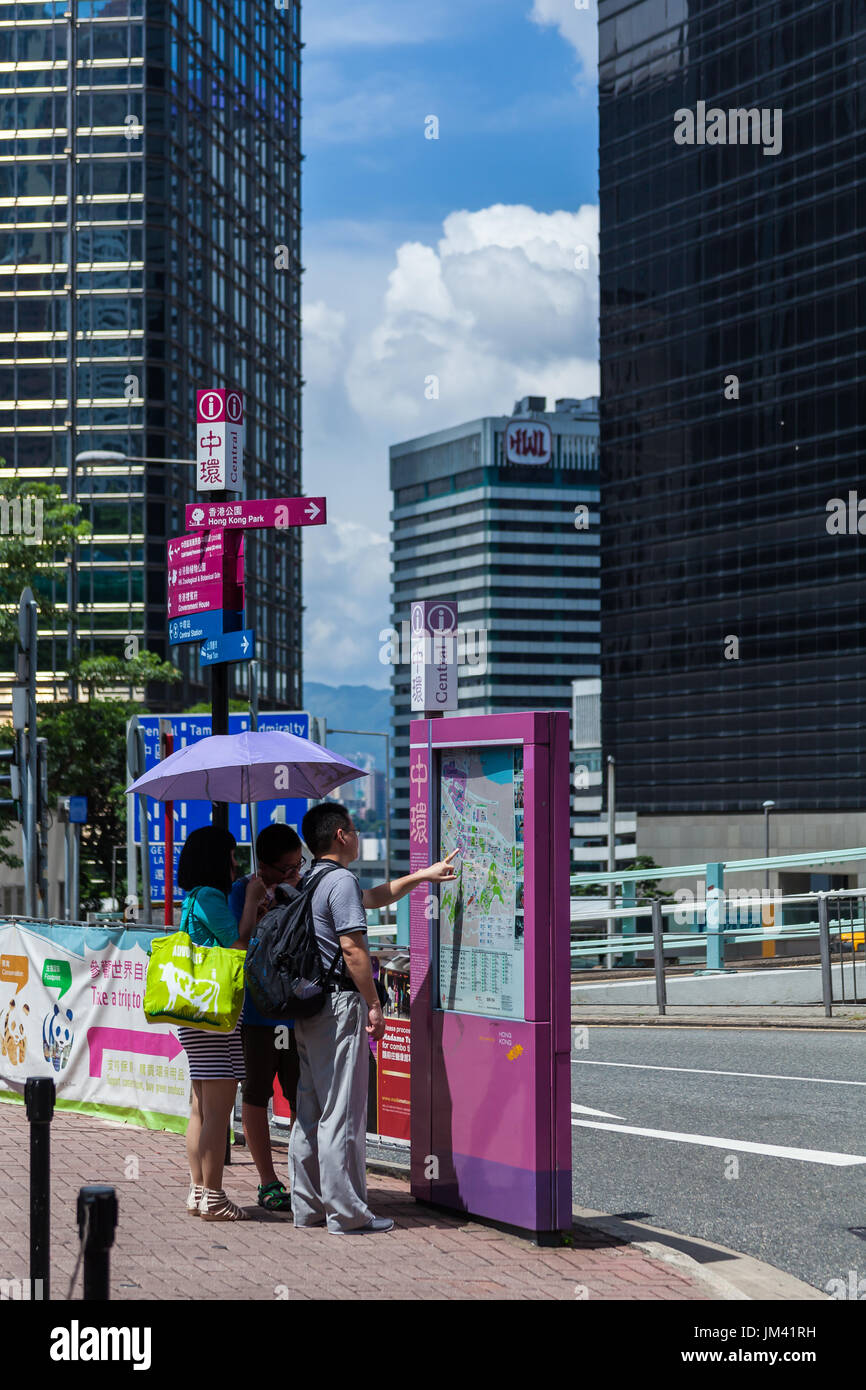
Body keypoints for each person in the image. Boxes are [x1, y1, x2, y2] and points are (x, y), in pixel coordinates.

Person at [289, 802, 458, 1234]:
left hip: (308, 1005)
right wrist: (375, 1003)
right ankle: (347, 1213)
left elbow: (374, 898)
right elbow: (353, 949)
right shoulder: (340, 879)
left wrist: (422, 876)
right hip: (340, 1004)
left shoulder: (312, 878)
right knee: (342, 1112)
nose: (358, 833)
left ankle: (307, 1206)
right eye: (354, 826)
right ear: (342, 835)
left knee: (310, 1108)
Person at [175, 825, 266, 1222]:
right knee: (217, 1109)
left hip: (196, 1015)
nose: (235, 862)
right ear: (215, 858)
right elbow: (238, 947)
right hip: (216, 1017)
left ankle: (198, 1191)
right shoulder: (211, 897)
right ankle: (213, 1195)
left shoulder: (192, 899)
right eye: (230, 855)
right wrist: (251, 898)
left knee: (200, 1106)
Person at [228, 824, 304, 1213]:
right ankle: (268, 1181)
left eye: (298, 865)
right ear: (265, 866)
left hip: (297, 1012)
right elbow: (239, 943)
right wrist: (256, 905)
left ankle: (302, 1180)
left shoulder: (301, 890)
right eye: (288, 868)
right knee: (256, 1095)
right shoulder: (245, 890)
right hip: (258, 1013)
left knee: (300, 1097)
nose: (295, 874)